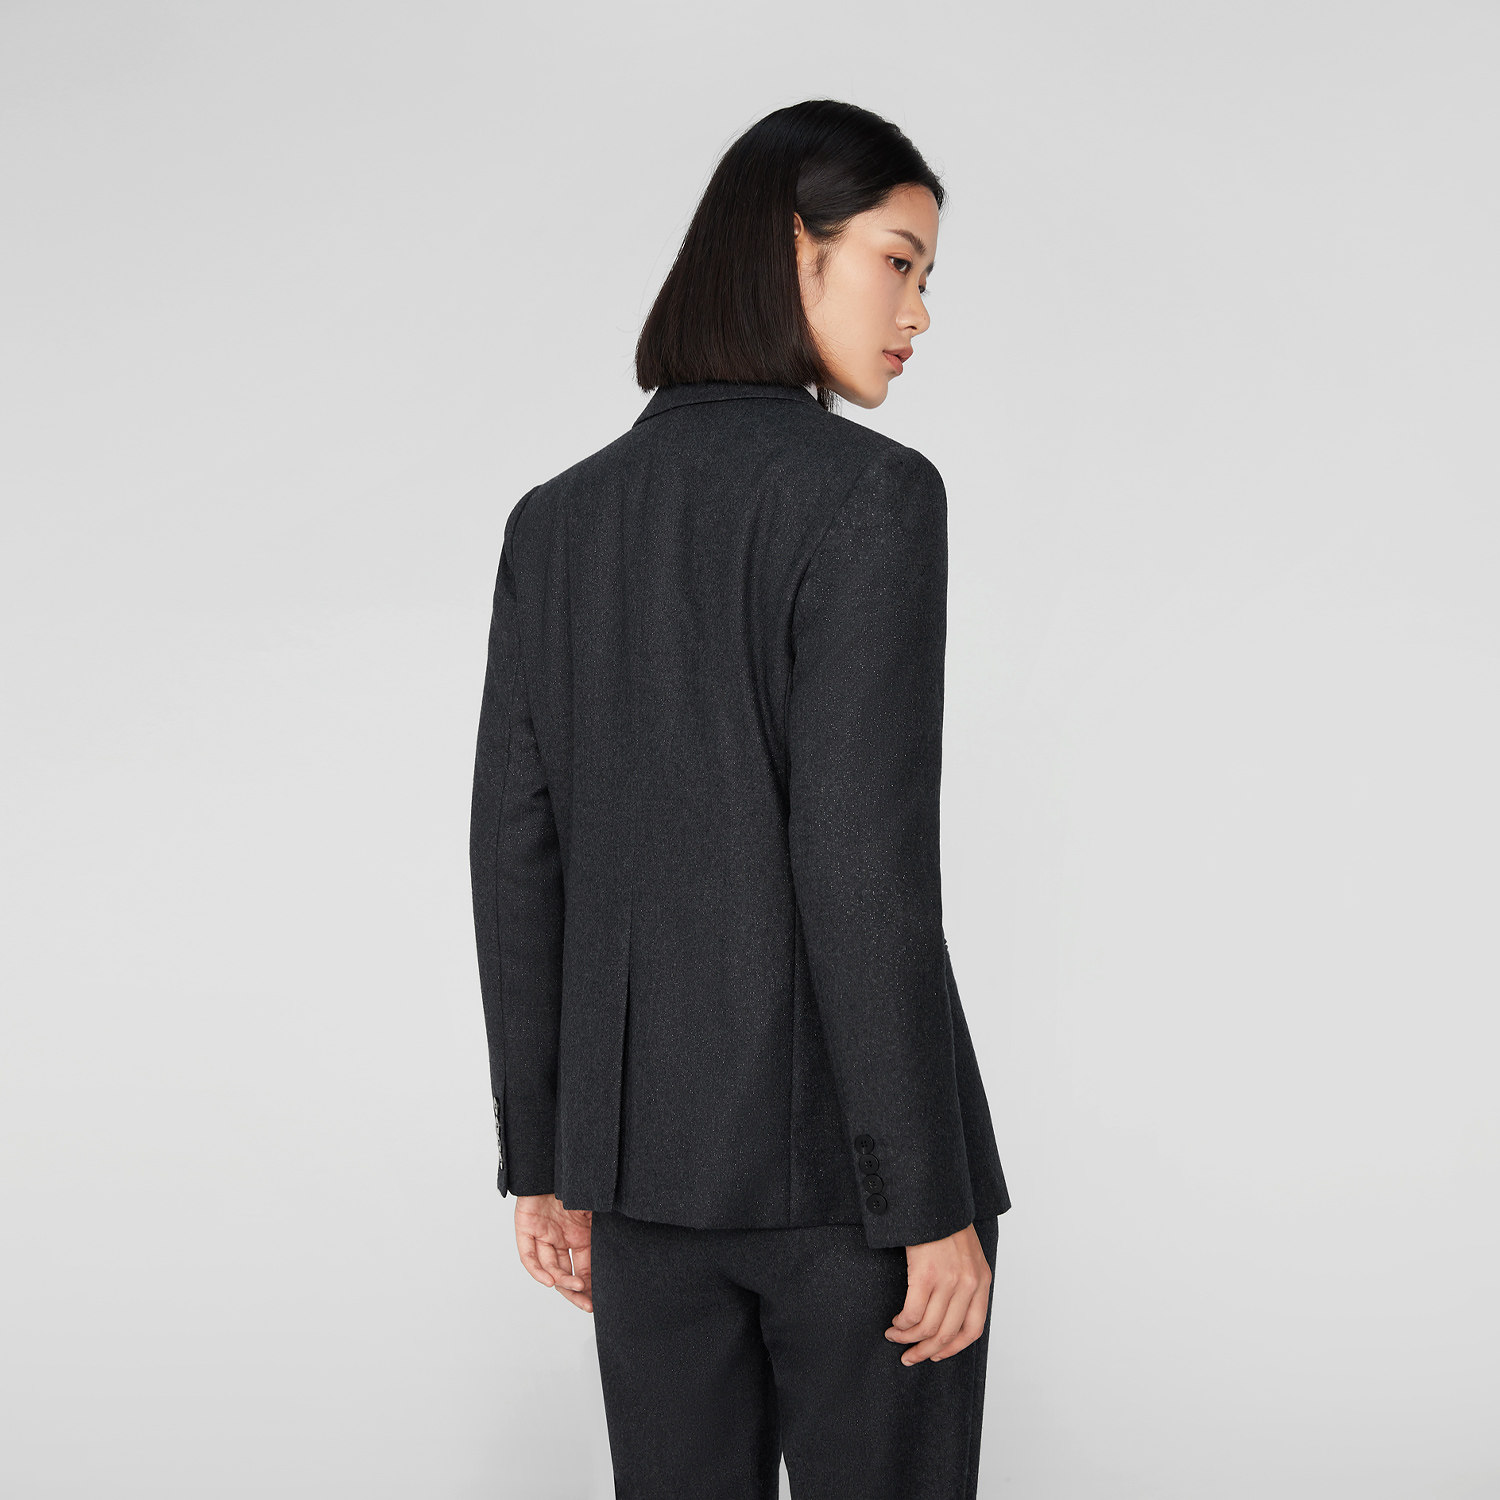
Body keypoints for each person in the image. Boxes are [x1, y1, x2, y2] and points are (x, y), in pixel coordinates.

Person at [469, 98, 1012, 1499]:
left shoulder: (556, 522)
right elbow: (859, 860)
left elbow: (517, 855)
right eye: (899, 263)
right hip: (847, 1188)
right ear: (791, 249)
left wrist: (549, 1158)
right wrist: (928, 1202)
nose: (919, 312)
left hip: (638, 1185)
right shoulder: (873, 497)